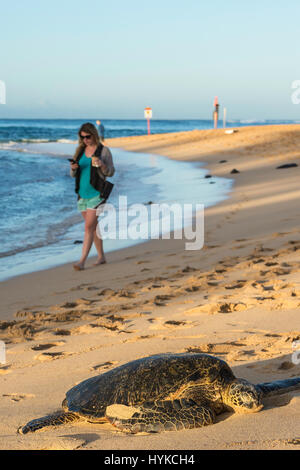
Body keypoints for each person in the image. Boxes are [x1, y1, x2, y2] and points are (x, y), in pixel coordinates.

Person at [70, 122, 115, 271]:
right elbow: (73, 174)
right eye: (82, 137)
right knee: (93, 226)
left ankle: (81, 261)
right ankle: (101, 257)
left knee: (88, 227)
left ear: (94, 135)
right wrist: (73, 168)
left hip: (98, 194)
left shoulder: (104, 151)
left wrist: (102, 165)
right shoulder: (79, 151)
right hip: (82, 194)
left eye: (87, 137)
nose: (85, 140)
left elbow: (111, 172)